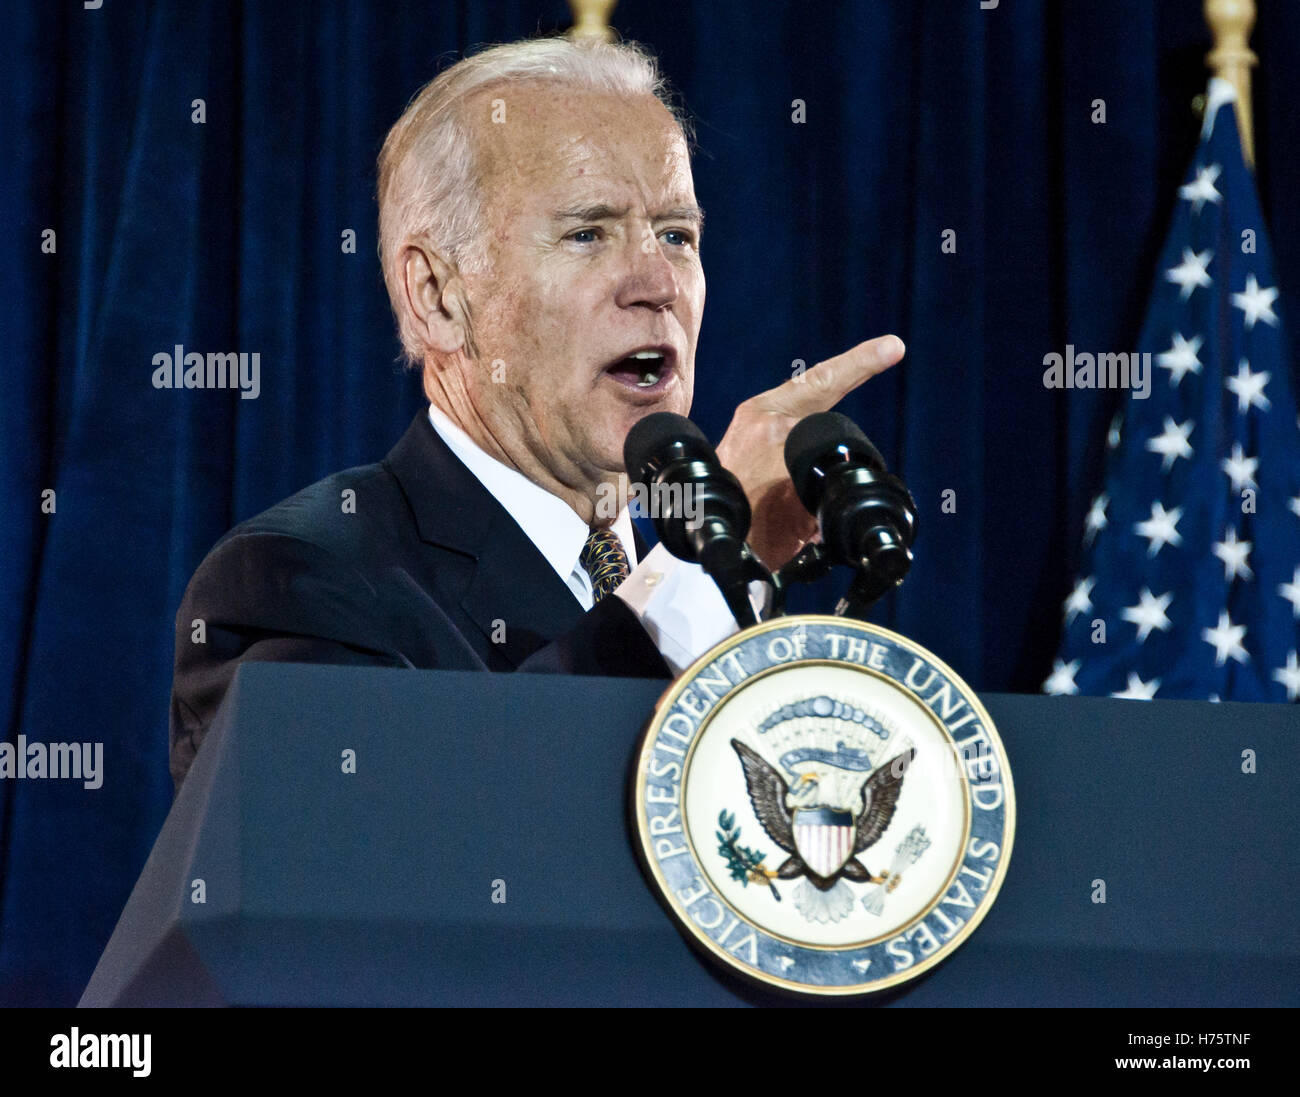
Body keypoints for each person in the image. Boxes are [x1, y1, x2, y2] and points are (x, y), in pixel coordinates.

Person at [169, 36, 904, 791]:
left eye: (677, 235)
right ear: (437, 297)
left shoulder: (721, 595)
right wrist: (689, 587)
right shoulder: (296, 584)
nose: (658, 281)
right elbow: (429, 845)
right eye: (587, 233)